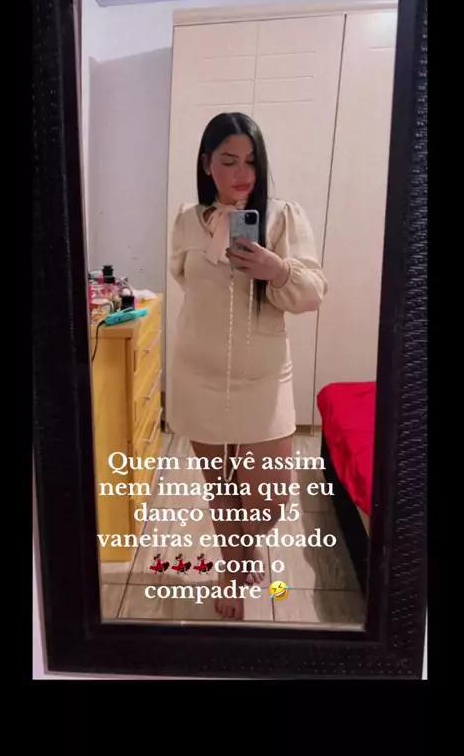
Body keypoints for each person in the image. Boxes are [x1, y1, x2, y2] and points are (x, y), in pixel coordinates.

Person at [168, 112, 328, 620]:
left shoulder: (281, 217)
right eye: (229, 160)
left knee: (270, 497)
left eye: (252, 161)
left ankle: (246, 543)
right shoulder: (187, 219)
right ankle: (233, 566)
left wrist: (276, 269)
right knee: (222, 489)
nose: (242, 173)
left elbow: (312, 293)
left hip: (264, 378)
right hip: (198, 373)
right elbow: (186, 279)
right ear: (206, 164)